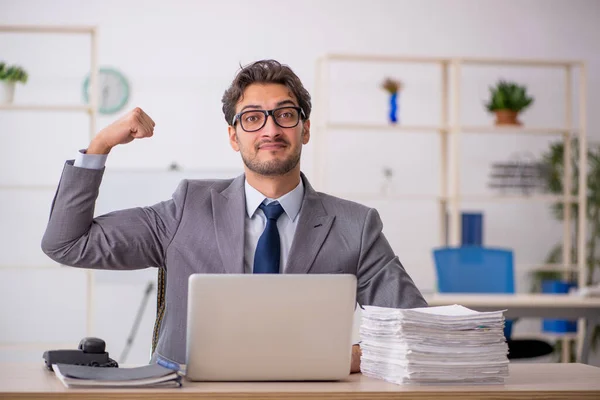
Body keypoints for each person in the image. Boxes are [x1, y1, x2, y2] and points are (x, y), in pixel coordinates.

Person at [41, 59, 427, 373]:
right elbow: (67, 243)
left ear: (305, 130)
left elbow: (415, 328)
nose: (271, 129)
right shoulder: (187, 207)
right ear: (233, 136)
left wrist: (352, 357)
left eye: (285, 115)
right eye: (253, 118)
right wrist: (100, 145)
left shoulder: (355, 226)